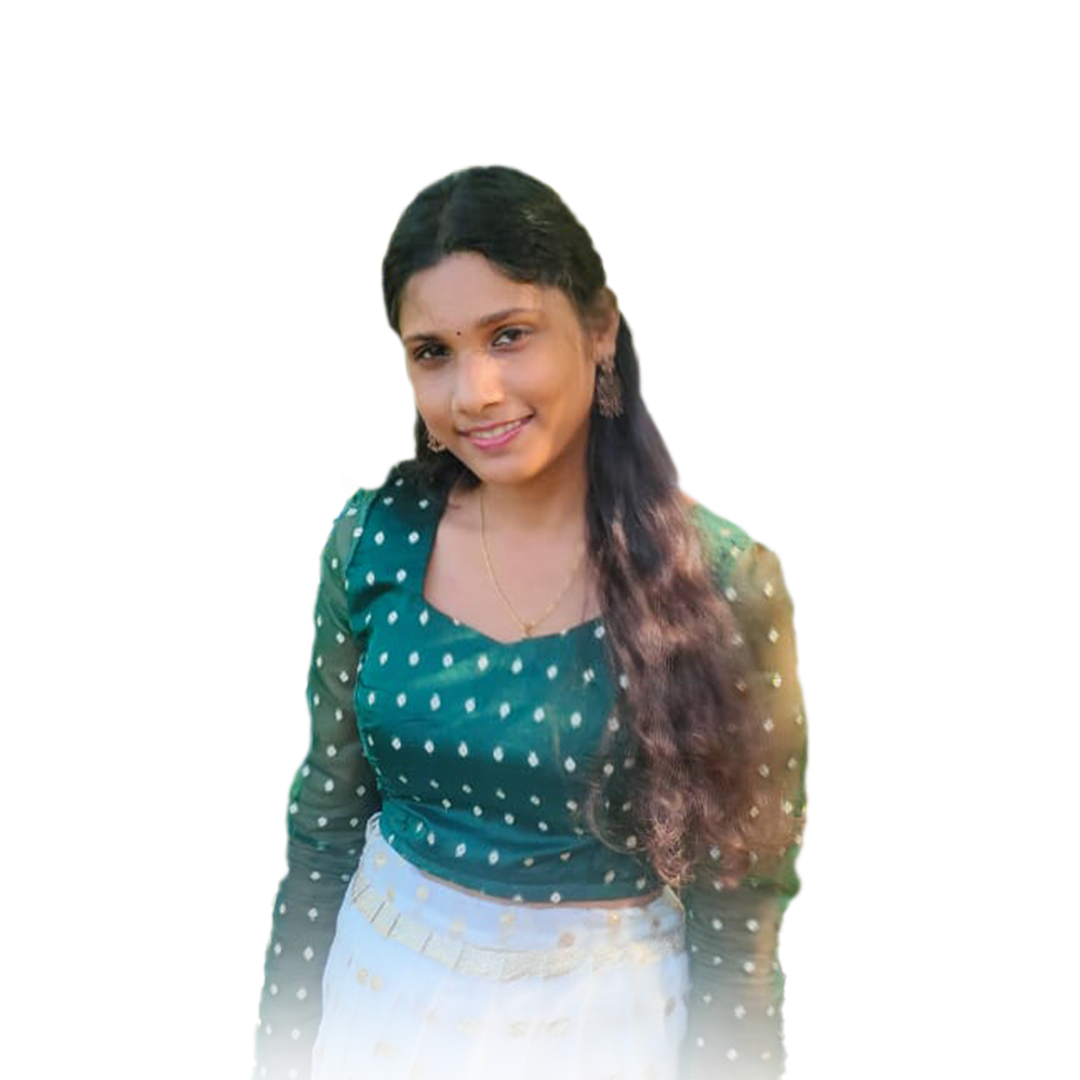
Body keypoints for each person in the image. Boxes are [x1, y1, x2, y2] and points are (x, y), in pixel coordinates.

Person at [249, 163, 810, 1080]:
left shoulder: (718, 584)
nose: (474, 391)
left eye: (508, 335)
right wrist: (278, 1061)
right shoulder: (373, 541)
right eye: (432, 352)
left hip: (603, 1038)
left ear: (600, 327)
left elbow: (740, 910)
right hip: (377, 1014)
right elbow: (323, 829)